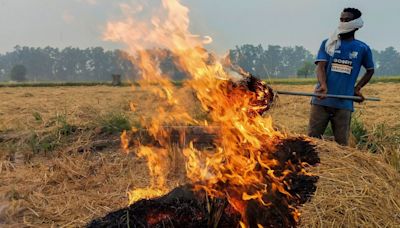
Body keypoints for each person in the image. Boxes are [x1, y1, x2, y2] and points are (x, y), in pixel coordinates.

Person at [308, 8, 375, 146]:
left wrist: (357, 88)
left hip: (344, 103)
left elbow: (370, 70)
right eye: (341, 19)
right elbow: (320, 67)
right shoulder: (328, 43)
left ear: (356, 25)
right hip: (322, 99)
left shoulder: (362, 48)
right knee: (311, 142)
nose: (343, 23)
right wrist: (323, 85)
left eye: (347, 20)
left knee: (342, 145)